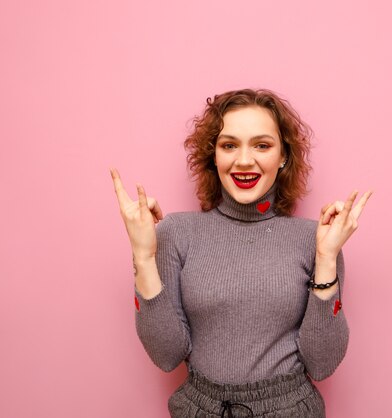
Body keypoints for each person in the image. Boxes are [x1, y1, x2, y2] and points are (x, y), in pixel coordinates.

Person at [110, 88, 372, 417]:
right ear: (213, 156)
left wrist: (326, 258)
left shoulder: (315, 240)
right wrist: (143, 257)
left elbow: (322, 364)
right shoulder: (178, 233)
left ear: (283, 157)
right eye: (229, 145)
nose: (244, 160)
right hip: (200, 408)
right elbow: (166, 355)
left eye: (262, 145)